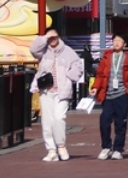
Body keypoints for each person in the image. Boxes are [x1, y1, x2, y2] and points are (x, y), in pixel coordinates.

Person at [29, 29, 84, 162]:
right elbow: (33, 50)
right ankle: (51, 150)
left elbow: (78, 66)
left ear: (59, 37)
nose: (52, 39)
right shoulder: (43, 51)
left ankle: (61, 146)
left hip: (62, 91)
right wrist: (44, 38)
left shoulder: (68, 51)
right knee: (47, 121)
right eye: (50, 37)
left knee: (59, 118)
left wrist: (70, 78)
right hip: (46, 91)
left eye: (54, 36)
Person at [91, 33, 128, 161]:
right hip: (108, 95)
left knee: (120, 123)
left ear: (124, 44)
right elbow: (100, 75)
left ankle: (118, 149)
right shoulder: (107, 57)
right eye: (115, 40)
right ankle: (106, 147)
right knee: (104, 121)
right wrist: (95, 88)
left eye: (120, 40)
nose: (117, 43)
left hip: (122, 95)